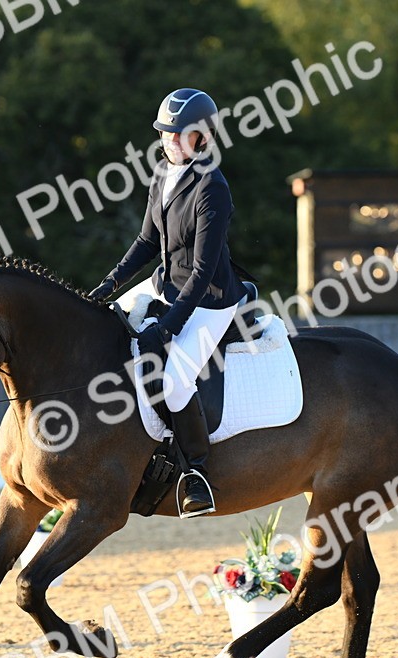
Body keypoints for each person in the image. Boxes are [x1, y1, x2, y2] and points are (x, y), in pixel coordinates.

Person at [88, 88, 248, 518]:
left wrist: (172, 325)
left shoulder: (213, 188)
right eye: (165, 134)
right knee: (102, 327)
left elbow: (201, 272)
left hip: (209, 300)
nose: (169, 142)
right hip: (165, 284)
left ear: (202, 137)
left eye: (178, 135)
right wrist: (108, 285)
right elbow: (145, 242)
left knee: (176, 381)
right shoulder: (162, 174)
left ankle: (194, 472)